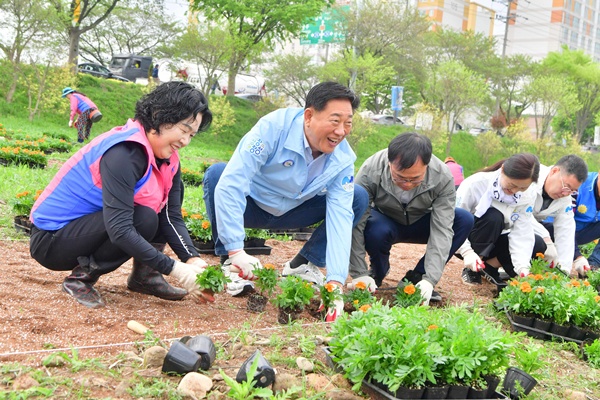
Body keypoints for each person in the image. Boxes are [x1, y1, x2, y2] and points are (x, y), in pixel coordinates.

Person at [30, 82, 213, 309]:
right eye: (183, 131)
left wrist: (192, 259)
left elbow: (170, 216)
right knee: (142, 218)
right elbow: (120, 229)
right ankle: (81, 279)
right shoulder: (124, 153)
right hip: (52, 239)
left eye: (192, 135)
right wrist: (177, 270)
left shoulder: (169, 160)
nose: (185, 141)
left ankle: (145, 277)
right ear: (159, 117)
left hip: (90, 228)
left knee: (151, 211)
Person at [203, 81, 369, 321]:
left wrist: (335, 281)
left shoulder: (342, 158)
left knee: (357, 196)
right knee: (218, 174)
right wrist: (236, 250)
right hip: (253, 205)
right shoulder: (273, 128)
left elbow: (340, 216)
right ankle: (230, 261)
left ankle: (303, 264)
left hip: (295, 211)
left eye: (348, 123)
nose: (341, 131)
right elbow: (233, 183)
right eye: (335, 121)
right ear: (309, 116)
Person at [348, 133, 474, 305]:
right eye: (399, 177)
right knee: (374, 228)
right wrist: (358, 273)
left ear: (427, 166)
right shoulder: (371, 169)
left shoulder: (442, 176)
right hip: (385, 220)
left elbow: (442, 229)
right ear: (389, 163)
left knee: (464, 220)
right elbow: (356, 220)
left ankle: (418, 278)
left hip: (420, 220)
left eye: (415, 179)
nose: (407, 184)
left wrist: (430, 279)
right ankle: (376, 272)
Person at [456, 153, 540, 286]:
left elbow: (522, 231)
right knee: (494, 217)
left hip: (497, 238)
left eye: (522, 188)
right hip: (468, 238)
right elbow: (454, 220)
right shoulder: (476, 184)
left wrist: (522, 268)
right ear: (502, 169)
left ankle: (488, 267)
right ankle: (472, 267)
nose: (515, 191)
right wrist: (467, 252)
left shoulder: (528, 195)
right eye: (512, 184)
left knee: (538, 244)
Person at [529, 155, 588, 276]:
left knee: (551, 231)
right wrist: (546, 238)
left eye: (572, 191)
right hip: (503, 223)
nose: (566, 193)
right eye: (566, 186)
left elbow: (565, 230)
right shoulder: (530, 177)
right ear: (554, 171)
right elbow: (519, 214)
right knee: (540, 241)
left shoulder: (565, 198)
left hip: (531, 225)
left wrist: (563, 270)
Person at [572, 168, 600, 274]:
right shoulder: (579, 183)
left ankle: (594, 264)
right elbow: (557, 222)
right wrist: (577, 256)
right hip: (559, 232)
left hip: (586, 233)